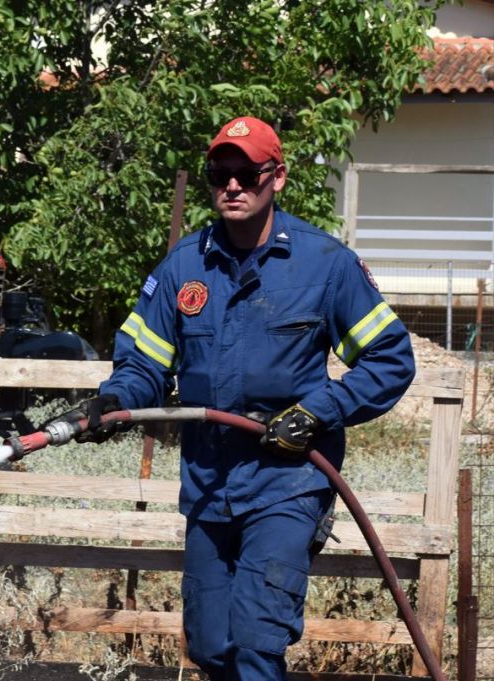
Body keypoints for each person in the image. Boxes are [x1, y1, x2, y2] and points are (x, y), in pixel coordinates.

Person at [52, 116, 415, 679]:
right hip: (209, 485)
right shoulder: (184, 267)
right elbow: (145, 364)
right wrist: (114, 402)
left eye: (247, 174)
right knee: (210, 645)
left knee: (255, 639)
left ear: (279, 177)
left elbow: (390, 360)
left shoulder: (325, 265)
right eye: (219, 173)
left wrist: (316, 412)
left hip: (289, 481)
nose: (233, 185)